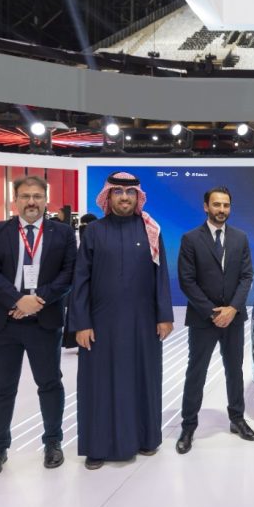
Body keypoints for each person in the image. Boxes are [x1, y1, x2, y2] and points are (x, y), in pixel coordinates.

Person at [71, 172, 174, 469]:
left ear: (138, 197)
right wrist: (81, 323)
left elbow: (160, 276)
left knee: (142, 379)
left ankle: (145, 438)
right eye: (118, 192)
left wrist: (164, 316)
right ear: (109, 196)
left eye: (130, 193)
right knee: (98, 384)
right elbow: (81, 279)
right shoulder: (93, 231)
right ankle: (97, 446)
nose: (125, 197)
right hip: (100, 323)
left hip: (143, 322)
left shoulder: (150, 230)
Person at [0, 176, 77, 478]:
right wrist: (18, 300)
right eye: (25, 196)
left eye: (36, 196)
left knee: (50, 384)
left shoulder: (63, 233)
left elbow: (68, 273)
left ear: (45, 200)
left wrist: (38, 300)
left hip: (43, 322)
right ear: (15, 201)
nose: (31, 202)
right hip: (2, 322)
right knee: (2, 389)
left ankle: (53, 442)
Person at [176, 186, 254, 454]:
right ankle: (188, 426)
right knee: (196, 372)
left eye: (226, 205)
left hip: (233, 318)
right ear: (206, 207)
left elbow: (246, 276)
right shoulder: (190, 239)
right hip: (203, 319)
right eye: (217, 204)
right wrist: (213, 312)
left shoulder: (240, 238)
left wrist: (232, 309)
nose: (222, 210)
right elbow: (187, 281)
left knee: (235, 370)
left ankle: (237, 419)